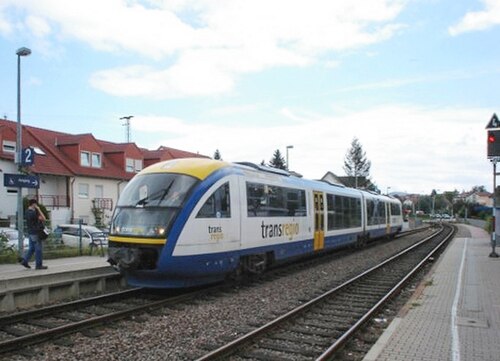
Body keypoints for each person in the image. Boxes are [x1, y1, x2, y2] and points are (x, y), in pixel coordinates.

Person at [19, 199, 47, 270]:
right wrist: (39, 209)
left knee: (31, 248)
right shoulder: (34, 213)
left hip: (30, 232)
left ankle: (25, 261)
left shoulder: (26, 212)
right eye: (36, 204)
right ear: (33, 204)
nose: (36, 206)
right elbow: (44, 218)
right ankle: (38, 265)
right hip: (36, 232)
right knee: (38, 249)